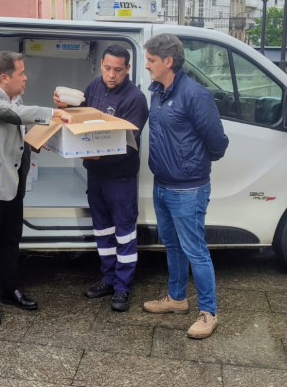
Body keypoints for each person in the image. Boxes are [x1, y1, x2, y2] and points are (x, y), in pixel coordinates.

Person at [0, 51, 73, 325]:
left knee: (12, 241)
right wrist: (51, 113)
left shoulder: (15, 98)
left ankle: (10, 290)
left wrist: (42, 139)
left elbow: (18, 130)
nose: (25, 78)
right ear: (4, 77)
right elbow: (11, 115)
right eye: (21, 73)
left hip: (12, 182)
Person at [141, 33, 229, 339]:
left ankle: (208, 313)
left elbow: (217, 143)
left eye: (151, 60)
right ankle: (177, 298)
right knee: (172, 245)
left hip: (188, 189)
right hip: (162, 185)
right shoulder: (157, 91)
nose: (147, 65)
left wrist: (191, 164)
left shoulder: (195, 94)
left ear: (168, 61)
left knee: (195, 250)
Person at [53, 44, 148, 312]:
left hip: (120, 178)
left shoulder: (135, 99)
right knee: (103, 230)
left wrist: (97, 155)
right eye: (107, 68)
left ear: (127, 69)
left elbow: (130, 143)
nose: (111, 75)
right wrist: (63, 106)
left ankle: (123, 288)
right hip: (95, 176)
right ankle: (108, 279)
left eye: (118, 70)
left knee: (124, 233)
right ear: (102, 66)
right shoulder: (95, 86)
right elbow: (80, 116)